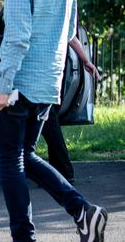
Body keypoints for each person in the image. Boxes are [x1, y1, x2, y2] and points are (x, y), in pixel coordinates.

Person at [0, 0, 107, 241]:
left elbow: (17, 37)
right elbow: (68, 30)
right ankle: (83, 211)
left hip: (18, 86)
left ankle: (24, 238)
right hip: (47, 86)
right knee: (23, 154)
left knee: (10, 161)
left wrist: (3, 84)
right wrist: (84, 60)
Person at [41, 37, 100, 185]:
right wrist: (86, 61)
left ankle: (63, 171)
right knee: (47, 122)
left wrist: (86, 61)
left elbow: (71, 36)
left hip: (43, 72)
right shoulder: (64, 13)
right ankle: (59, 171)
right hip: (55, 71)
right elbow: (72, 36)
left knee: (47, 122)